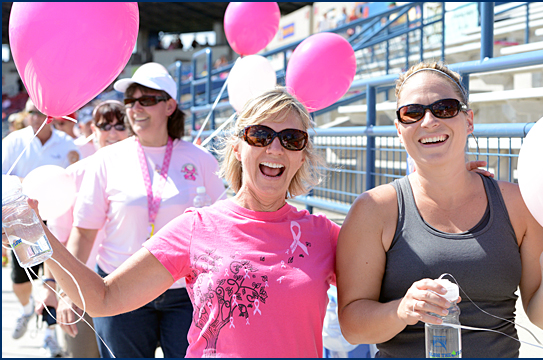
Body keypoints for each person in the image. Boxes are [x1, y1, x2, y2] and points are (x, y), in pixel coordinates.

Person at [38, 88, 340, 358]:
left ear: (302, 156)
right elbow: (104, 298)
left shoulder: (325, 235)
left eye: (291, 139)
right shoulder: (197, 227)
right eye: (260, 135)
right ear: (237, 147)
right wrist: (36, 232)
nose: (275, 149)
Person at [335, 62, 543, 358]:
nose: (428, 121)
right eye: (412, 113)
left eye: (445, 108)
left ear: (469, 120)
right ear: (399, 129)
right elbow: (352, 326)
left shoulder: (517, 205)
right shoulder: (374, 210)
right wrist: (403, 310)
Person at [57, 62, 226, 358]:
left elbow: (223, 229)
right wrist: (68, 292)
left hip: (184, 294)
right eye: (130, 101)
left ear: (170, 106)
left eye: (147, 100)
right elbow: (83, 233)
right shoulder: (107, 160)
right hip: (118, 290)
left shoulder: (200, 160)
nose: (135, 108)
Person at [42, 100, 131, 358]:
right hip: (79, 288)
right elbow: (56, 239)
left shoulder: (144, 177)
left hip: (127, 288)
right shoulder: (74, 174)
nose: (113, 133)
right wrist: (53, 289)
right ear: (93, 130)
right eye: (105, 126)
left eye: (119, 125)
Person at [2, 98, 80, 357]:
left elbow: (76, 176)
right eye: (31, 112)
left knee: (53, 274)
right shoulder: (14, 142)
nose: (36, 117)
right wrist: (31, 183)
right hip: (21, 218)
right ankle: (26, 309)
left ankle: (48, 333)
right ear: (25, 115)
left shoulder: (67, 143)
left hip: (57, 216)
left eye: (41, 112)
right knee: (21, 278)